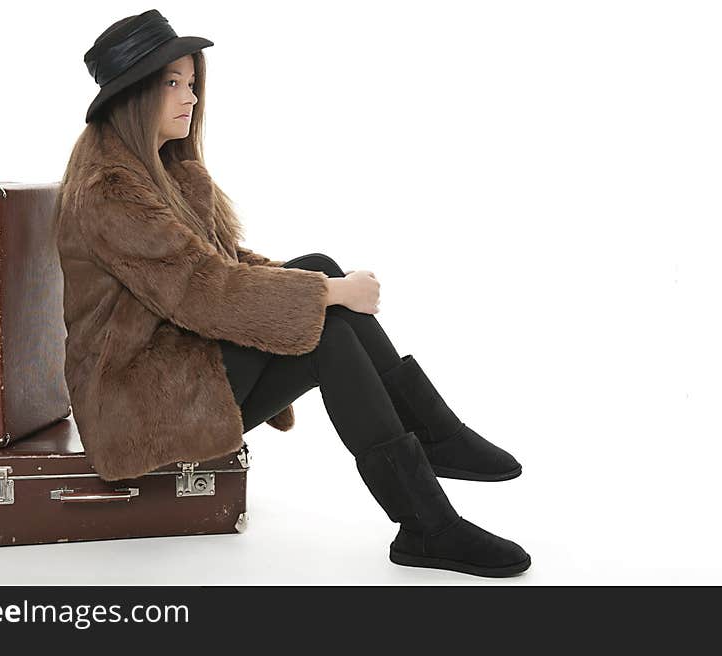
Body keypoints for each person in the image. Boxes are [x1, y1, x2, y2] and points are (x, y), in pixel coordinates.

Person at [54, 10, 530, 578]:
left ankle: (433, 452)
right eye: (171, 83)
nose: (192, 96)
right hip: (141, 400)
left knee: (320, 275)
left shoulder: (158, 171)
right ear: (131, 97)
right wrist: (329, 295)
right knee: (328, 328)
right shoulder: (110, 192)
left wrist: (324, 286)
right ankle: (428, 513)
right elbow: (204, 294)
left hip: (182, 367)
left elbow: (222, 265)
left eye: (191, 80)